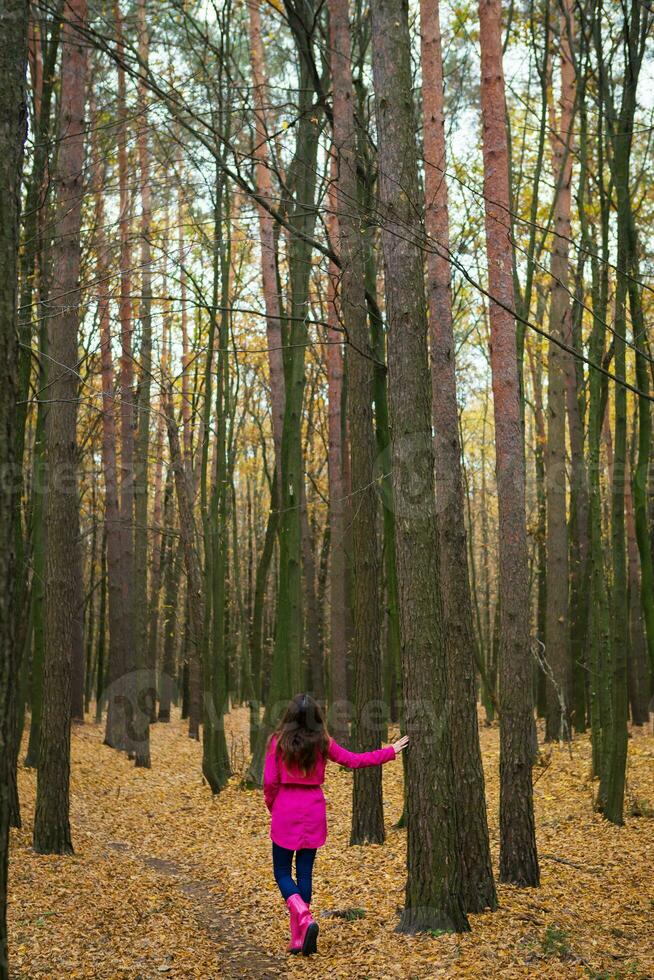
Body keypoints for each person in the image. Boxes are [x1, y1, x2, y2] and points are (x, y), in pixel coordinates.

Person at [263, 693, 408, 956]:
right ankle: (299, 936)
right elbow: (354, 760)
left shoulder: (278, 741)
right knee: (304, 873)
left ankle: (303, 920)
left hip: (286, 807)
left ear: (290, 716)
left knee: (282, 873)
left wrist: (273, 806)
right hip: (313, 809)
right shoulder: (322, 742)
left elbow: (270, 782)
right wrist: (389, 751)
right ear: (317, 716)